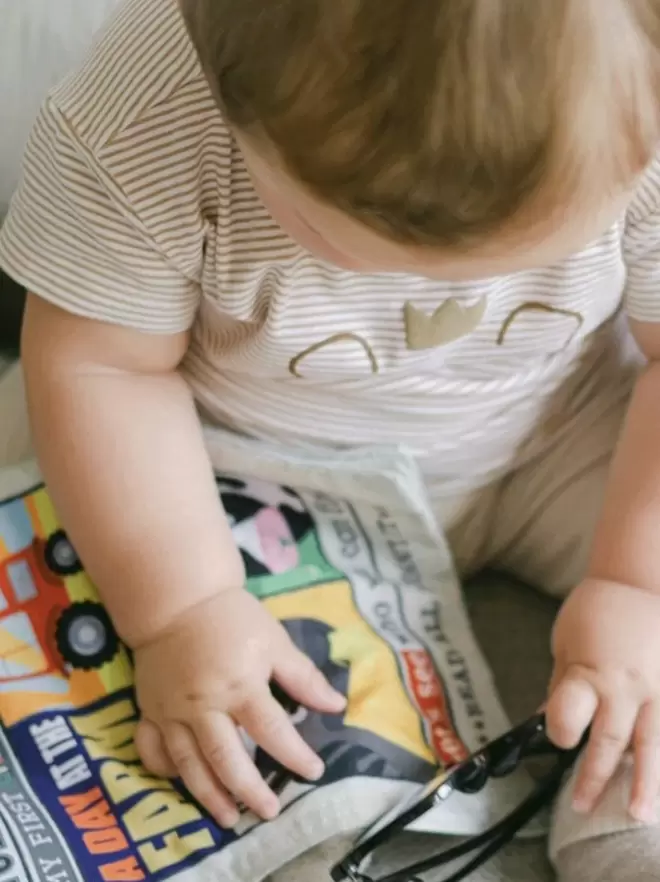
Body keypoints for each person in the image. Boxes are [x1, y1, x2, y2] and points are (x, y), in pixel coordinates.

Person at [2, 0, 660, 877]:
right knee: (158, 674)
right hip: (228, 453)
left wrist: (636, 582)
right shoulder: (143, 115)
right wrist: (182, 609)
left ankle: (633, 819)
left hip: (566, 434)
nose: (429, 299)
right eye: (347, 245)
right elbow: (104, 369)